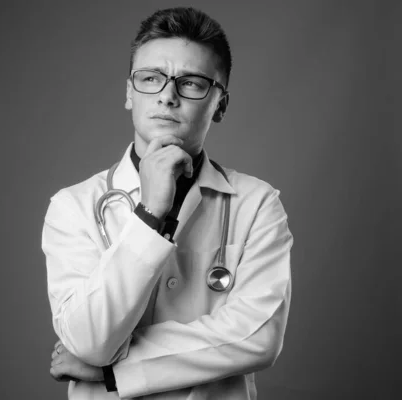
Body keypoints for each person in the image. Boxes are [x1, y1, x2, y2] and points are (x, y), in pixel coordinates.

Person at [42, 7, 293, 399]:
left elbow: (259, 337)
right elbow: (89, 342)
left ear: (220, 104)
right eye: (151, 78)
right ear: (129, 93)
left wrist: (112, 373)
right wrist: (148, 215)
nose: (167, 96)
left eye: (191, 83)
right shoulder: (72, 206)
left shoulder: (257, 204)